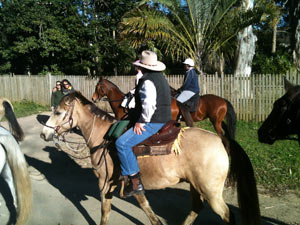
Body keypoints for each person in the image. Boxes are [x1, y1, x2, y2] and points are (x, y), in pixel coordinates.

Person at [115, 50, 171, 198]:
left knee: (121, 143)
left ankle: (135, 183)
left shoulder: (148, 81)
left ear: (142, 66)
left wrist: (141, 121)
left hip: (153, 120)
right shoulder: (160, 77)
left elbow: (149, 105)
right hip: (163, 117)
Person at [175, 58, 200, 127]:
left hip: (190, 90)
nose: (184, 66)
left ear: (188, 65)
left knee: (177, 101)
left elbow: (186, 84)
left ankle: (179, 118)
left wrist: (180, 89)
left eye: (185, 65)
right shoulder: (191, 71)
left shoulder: (189, 72)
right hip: (191, 89)